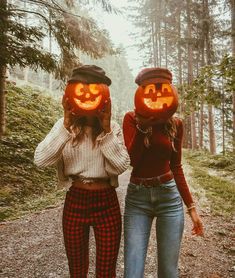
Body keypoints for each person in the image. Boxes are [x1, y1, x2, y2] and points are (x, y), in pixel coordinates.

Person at [34, 65, 130, 278]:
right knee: (77, 271)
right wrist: (66, 124)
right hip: (75, 199)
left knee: (106, 271)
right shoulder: (65, 126)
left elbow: (121, 166)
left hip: (106, 202)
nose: (87, 96)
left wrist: (105, 131)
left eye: (94, 91)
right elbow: (41, 160)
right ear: (68, 96)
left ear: (105, 96)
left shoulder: (112, 128)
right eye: (80, 91)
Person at [122, 67, 204, 278]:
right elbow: (133, 162)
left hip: (169, 197)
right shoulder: (131, 119)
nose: (157, 95)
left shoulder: (176, 123)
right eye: (150, 90)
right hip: (138, 198)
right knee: (133, 271)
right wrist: (142, 128)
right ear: (140, 92)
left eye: (163, 89)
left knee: (168, 271)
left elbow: (176, 167)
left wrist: (192, 208)